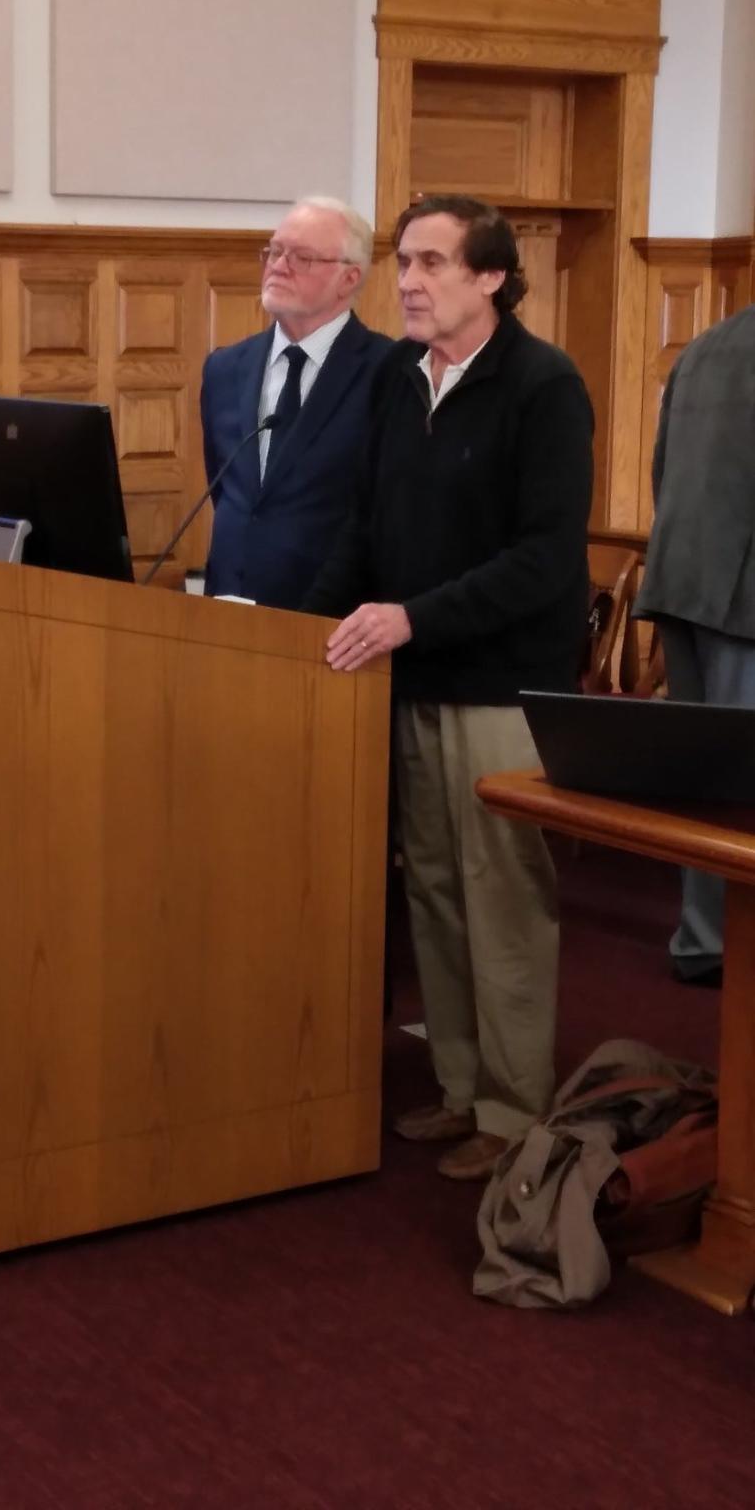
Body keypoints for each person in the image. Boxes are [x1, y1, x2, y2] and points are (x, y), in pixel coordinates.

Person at [302, 194, 594, 1182]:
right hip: (409, 673)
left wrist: (415, 616)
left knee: (501, 894)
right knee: (430, 889)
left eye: (432, 263)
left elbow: (547, 560)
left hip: (500, 691)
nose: (411, 281)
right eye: (404, 261)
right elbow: (366, 520)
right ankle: (462, 1087)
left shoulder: (543, 387)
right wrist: (304, 621)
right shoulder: (396, 376)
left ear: (492, 280)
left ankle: (515, 1110)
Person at [632, 303, 755, 988]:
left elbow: (662, 469)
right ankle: (729, 943)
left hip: (683, 581)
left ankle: (705, 938)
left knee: (705, 778)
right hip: (744, 599)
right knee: (739, 785)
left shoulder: (704, 345)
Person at [201, 197, 393, 610]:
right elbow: (227, 488)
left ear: (348, 278)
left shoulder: (389, 373)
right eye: (274, 251)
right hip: (225, 612)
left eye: (301, 257)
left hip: (333, 622)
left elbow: (387, 513)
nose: (278, 265)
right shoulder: (224, 368)